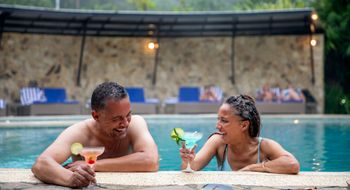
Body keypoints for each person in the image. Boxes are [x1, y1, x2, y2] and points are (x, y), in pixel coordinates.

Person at [32, 82, 159, 188]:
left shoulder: (136, 123)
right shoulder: (79, 133)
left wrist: (92, 165)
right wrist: (70, 179)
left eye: (128, 115)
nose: (125, 123)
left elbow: (151, 161)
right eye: (117, 119)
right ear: (96, 116)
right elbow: (41, 164)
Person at [180, 94, 300, 174]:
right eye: (218, 119)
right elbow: (192, 167)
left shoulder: (264, 146)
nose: (218, 125)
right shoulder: (218, 142)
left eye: (224, 121)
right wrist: (188, 161)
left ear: (243, 125)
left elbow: (292, 164)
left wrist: (252, 168)